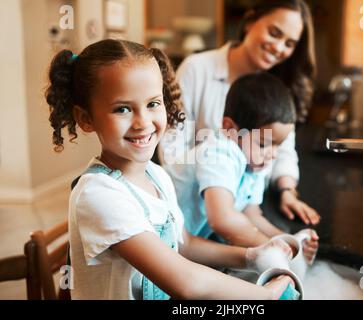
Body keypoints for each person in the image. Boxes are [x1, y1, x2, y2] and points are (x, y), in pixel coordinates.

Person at [45, 39, 298, 300]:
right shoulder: (98, 194)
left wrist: (250, 256)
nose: (143, 122)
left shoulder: (157, 176)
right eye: (122, 109)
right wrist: (263, 295)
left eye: (153, 104)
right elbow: (185, 282)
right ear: (86, 118)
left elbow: (183, 243)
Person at [160, 0, 320, 226]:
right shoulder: (197, 68)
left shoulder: (278, 86)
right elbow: (172, 148)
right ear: (250, 22)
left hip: (247, 206)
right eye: (274, 33)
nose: (279, 47)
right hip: (192, 209)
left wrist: (287, 191)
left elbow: (284, 150)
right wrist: (215, 190)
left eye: (290, 43)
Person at [164, 72, 319, 262]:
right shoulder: (219, 152)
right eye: (263, 143)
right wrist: (272, 249)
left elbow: (251, 215)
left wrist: (289, 242)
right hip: (159, 240)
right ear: (230, 129)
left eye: (278, 144)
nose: (272, 154)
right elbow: (222, 219)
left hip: (186, 244)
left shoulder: (254, 161)